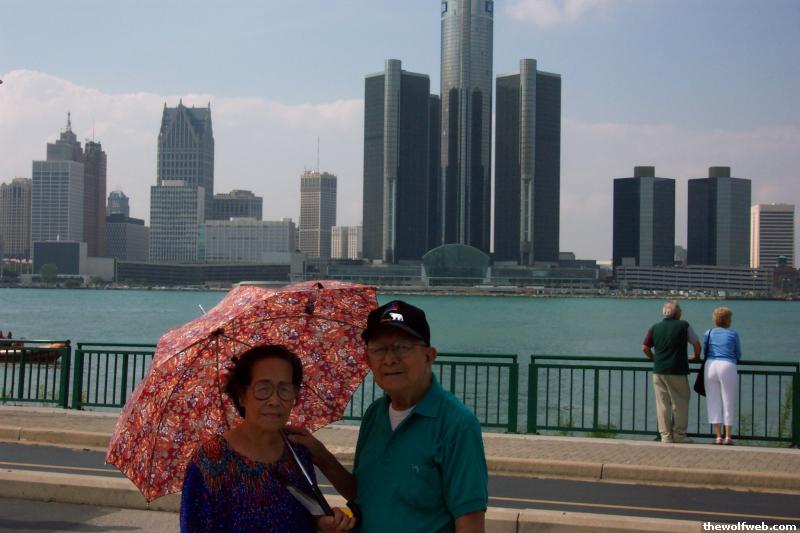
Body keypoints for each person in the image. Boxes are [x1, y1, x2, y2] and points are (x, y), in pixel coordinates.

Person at [289, 300, 489, 533]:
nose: (389, 359)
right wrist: (321, 455)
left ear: (429, 356)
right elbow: (365, 494)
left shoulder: (456, 424)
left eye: (402, 347)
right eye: (379, 349)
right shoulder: (374, 415)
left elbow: (470, 524)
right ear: (368, 359)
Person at [179, 344, 356, 533]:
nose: (275, 401)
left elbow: (308, 512)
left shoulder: (297, 450)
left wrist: (323, 523)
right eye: (263, 389)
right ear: (241, 396)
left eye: (284, 389)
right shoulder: (210, 462)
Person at [642, 300, 702, 443]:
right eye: (680, 310)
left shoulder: (655, 327)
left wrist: (654, 358)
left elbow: (645, 347)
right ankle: (679, 435)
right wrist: (696, 357)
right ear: (676, 313)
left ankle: (665, 436)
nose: (681, 312)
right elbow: (696, 345)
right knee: (680, 403)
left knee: (662, 405)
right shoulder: (684, 325)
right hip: (677, 370)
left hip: (659, 371)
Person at [703, 307, 741, 445]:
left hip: (711, 365)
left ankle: (718, 436)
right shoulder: (733, 334)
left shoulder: (708, 332)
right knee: (728, 401)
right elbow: (738, 353)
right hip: (727, 365)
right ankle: (728, 436)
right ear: (728, 320)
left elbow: (705, 351)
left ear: (715, 319)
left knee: (713, 401)